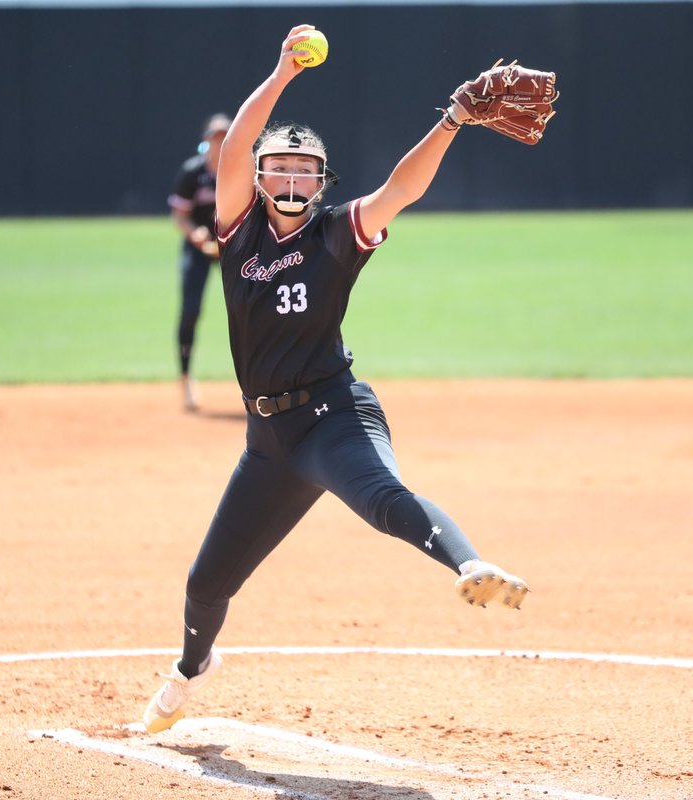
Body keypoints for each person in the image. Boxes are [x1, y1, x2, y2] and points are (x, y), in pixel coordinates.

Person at [143, 24, 529, 734]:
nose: (292, 181)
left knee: (383, 498)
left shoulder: (336, 233)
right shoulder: (238, 230)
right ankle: (192, 668)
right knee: (205, 585)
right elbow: (234, 148)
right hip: (268, 442)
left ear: (322, 182)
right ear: (260, 180)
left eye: (305, 171)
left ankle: (470, 565)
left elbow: (402, 188)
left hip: (332, 417)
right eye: (280, 169)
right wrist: (283, 72)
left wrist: (451, 120)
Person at [169, 112, 231, 412]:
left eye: (225, 137)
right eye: (215, 138)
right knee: (190, 310)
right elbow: (180, 215)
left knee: (249, 308)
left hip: (232, 247)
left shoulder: (241, 172)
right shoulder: (192, 173)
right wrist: (197, 235)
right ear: (207, 142)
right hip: (198, 247)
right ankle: (185, 378)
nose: (220, 143)